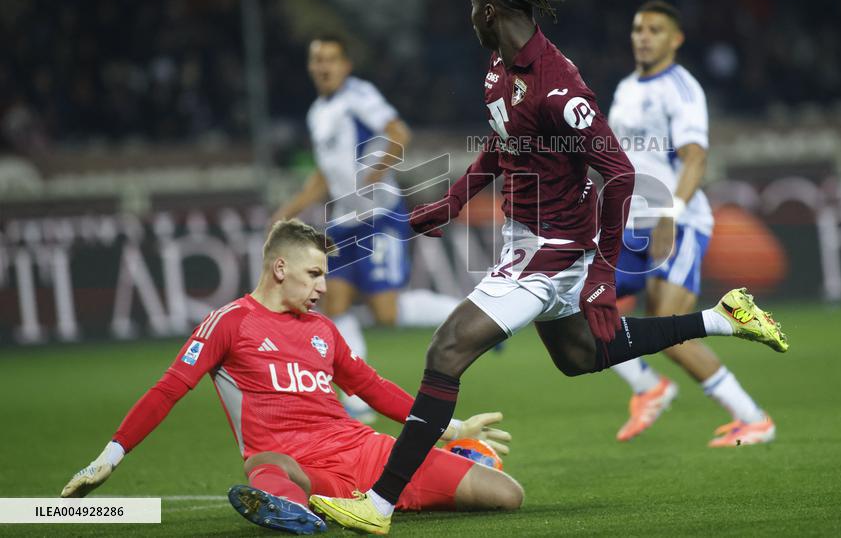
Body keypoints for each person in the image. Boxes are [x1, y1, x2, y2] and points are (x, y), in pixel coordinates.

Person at [308, 0, 789, 535]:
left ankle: (378, 505)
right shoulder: (496, 68)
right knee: (579, 357)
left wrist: (604, 275)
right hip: (526, 239)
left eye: (470, 6)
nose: (467, 15)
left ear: (490, 10)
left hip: (553, 249)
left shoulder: (560, 89)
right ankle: (723, 318)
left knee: (446, 351)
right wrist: (452, 203)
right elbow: (500, 144)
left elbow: (620, 172)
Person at [60, 219, 523, 535]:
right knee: (269, 469)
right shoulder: (229, 322)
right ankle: (295, 509)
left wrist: (452, 429)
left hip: (364, 452)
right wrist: (112, 455)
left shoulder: (324, 330)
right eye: (315, 273)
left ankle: (346, 504)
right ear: (280, 268)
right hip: (294, 463)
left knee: (506, 495)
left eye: (326, 274)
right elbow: (169, 389)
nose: (324, 286)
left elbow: (372, 389)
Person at [606, 1, 776, 446]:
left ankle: (753, 418)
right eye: (639, 28)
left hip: (676, 223)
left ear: (675, 39)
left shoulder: (682, 91)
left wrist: (671, 214)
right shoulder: (624, 89)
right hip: (628, 223)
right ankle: (649, 387)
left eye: (655, 30)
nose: (643, 36)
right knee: (582, 306)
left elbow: (696, 159)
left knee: (666, 330)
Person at [272, 34, 458, 422]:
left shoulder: (360, 95)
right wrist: (289, 209)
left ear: (345, 65)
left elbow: (399, 133)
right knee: (334, 304)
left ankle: (463, 313)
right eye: (317, 60)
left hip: (380, 216)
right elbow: (324, 176)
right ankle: (356, 397)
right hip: (343, 220)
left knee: (386, 312)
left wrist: (375, 172)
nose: (323, 66)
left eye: (330, 59)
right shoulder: (317, 112)